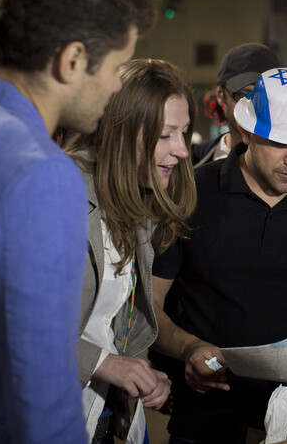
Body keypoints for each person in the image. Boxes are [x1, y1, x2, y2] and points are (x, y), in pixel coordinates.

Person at [0, 0, 155, 443]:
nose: (117, 88)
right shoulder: (42, 174)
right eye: (114, 68)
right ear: (72, 59)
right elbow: (42, 392)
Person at [150, 67, 287, 443]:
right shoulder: (191, 194)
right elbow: (148, 301)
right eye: (280, 144)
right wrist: (187, 348)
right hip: (205, 424)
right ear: (247, 131)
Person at [63, 59, 197, 443]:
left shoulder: (138, 202)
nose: (183, 150)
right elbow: (13, 323)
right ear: (121, 132)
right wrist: (105, 364)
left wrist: (140, 368)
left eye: (184, 132)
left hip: (106, 418)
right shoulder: (60, 192)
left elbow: (110, 324)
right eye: (166, 135)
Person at [193, 43, 287, 185]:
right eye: (246, 93)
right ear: (221, 95)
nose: (255, 104)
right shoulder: (195, 159)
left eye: (268, 96)